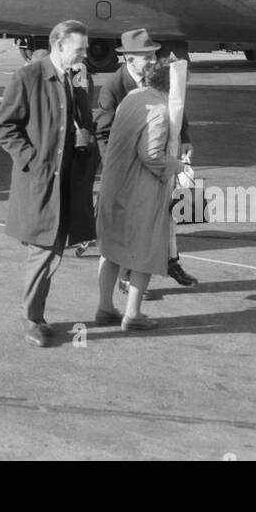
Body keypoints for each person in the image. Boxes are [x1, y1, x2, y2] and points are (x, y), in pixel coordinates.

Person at [0, 20, 100, 347]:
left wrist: (84, 121)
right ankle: (31, 319)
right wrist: (34, 161)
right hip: (42, 183)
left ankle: (36, 315)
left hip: (68, 183)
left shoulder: (79, 78)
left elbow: (84, 121)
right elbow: (5, 128)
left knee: (52, 252)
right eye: (79, 49)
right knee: (43, 251)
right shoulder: (27, 77)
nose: (85, 55)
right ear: (59, 46)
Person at [90, 29, 198, 286]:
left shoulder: (153, 76)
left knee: (170, 212)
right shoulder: (113, 87)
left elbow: (174, 103)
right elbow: (103, 133)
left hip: (159, 157)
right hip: (131, 168)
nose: (153, 60)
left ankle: (171, 261)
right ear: (130, 60)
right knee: (131, 227)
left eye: (153, 55)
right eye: (147, 56)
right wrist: (113, 170)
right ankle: (130, 281)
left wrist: (184, 137)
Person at [94, 73, 183, 333]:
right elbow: (152, 155)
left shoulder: (133, 96)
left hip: (114, 184)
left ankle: (105, 307)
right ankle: (133, 314)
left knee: (110, 250)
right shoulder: (159, 108)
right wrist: (176, 166)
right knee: (145, 251)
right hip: (140, 191)